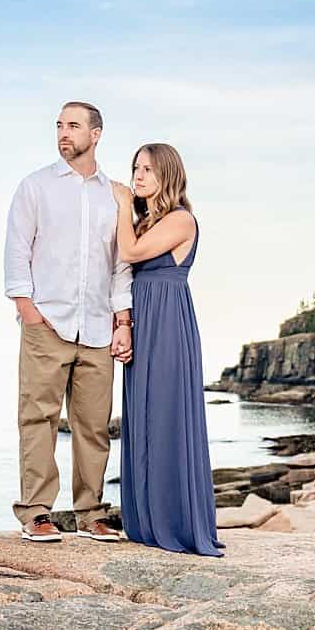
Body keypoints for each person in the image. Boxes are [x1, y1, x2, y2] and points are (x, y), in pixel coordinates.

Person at [2, 101, 133, 543]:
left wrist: (122, 319)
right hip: (47, 324)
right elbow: (17, 250)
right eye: (59, 125)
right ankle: (36, 512)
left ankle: (91, 512)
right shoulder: (35, 187)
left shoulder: (113, 196)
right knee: (37, 417)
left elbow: (119, 264)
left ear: (96, 134)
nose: (63, 133)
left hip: (97, 326)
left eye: (73, 126)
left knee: (94, 424)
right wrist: (27, 309)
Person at [109, 143, 224, 557]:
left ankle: (175, 522)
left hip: (169, 325)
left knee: (167, 414)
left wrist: (122, 203)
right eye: (136, 169)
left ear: (168, 176)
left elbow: (132, 253)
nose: (138, 177)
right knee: (142, 416)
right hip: (145, 321)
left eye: (148, 171)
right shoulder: (146, 220)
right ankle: (147, 521)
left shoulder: (180, 219)